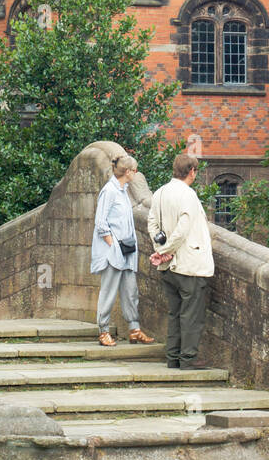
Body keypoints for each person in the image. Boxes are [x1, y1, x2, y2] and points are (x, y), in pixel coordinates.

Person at [147, 152, 214, 370]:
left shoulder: (160, 192)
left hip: (168, 266)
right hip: (188, 264)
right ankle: (188, 360)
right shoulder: (188, 195)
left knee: (175, 313)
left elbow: (152, 224)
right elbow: (183, 230)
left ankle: (173, 357)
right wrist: (167, 249)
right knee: (191, 315)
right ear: (191, 171)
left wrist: (160, 250)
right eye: (195, 170)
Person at [91, 154, 154, 347]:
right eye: (135, 170)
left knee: (130, 290)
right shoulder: (109, 191)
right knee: (109, 292)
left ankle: (134, 329)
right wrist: (113, 245)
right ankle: (103, 331)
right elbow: (101, 223)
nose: (136, 173)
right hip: (114, 252)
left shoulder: (123, 191)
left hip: (127, 250)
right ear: (127, 172)